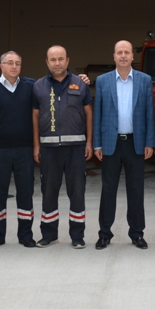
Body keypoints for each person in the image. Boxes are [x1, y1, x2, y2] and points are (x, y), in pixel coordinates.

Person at [93, 40, 155, 249]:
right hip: (110, 143)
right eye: (119, 52)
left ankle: (137, 234)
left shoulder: (144, 80)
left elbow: (149, 113)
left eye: (126, 52)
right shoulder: (103, 81)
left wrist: (150, 142)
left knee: (136, 190)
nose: (123, 56)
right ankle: (104, 234)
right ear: (114, 56)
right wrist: (97, 144)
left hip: (135, 143)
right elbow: (97, 113)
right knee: (108, 189)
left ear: (132, 56)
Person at [32, 45, 93, 249]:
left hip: (76, 148)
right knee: (49, 192)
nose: (57, 63)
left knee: (77, 193)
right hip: (49, 149)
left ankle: (77, 236)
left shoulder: (80, 84)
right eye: (53, 59)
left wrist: (89, 142)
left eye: (60, 59)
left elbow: (89, 113)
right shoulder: (38, 86)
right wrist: (36, 145)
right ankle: (49, 234)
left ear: (67, 61)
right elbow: (35, 116)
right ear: (47, 62)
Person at [0, 51, 38, 249]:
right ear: (1, 66)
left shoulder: (31, 87)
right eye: (9, 63)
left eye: (17, 63)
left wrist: (81, 79)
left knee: (25, 193)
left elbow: (53, 83)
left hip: (24, 150)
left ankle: (26, 235)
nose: (14, 66)